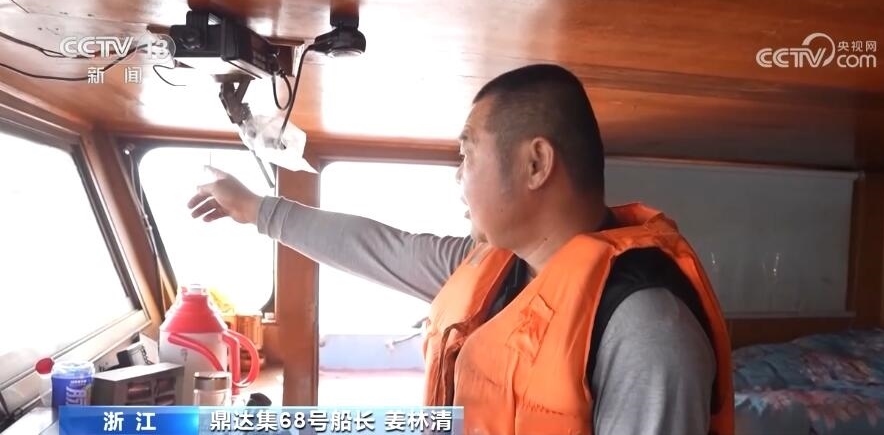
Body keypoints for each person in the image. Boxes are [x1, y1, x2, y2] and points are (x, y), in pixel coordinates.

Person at [188, 64, 734, 435]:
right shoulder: (495, 268)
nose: (458, 177)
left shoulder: (645, 330)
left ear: (536, 164)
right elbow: (381, 248)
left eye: (467, 155)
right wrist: (257, 210)